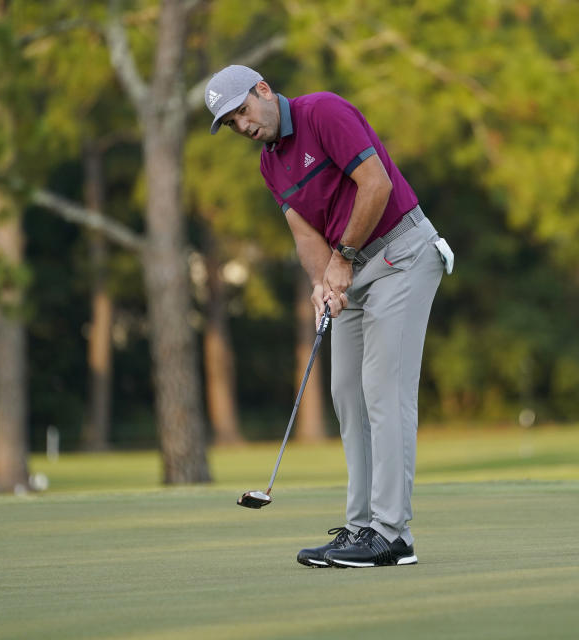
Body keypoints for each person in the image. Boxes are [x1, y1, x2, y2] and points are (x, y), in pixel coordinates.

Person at [204, 65, 452, 568]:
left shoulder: (323, 112)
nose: (244, 127)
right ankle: (361, 527)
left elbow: (375, 185)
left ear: (264, 91)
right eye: (231, 123)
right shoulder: (270, 165)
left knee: (385, 391)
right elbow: (305, 235)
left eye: (243, 112)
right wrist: (323, 285)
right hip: (353, 272)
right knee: (348, 395)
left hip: (402, 254)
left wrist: (341, 261)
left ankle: (393, 534)